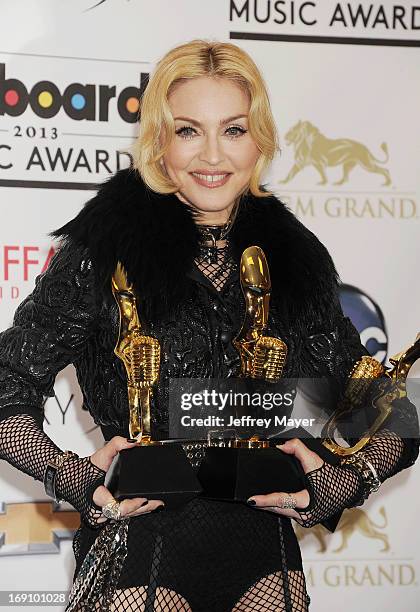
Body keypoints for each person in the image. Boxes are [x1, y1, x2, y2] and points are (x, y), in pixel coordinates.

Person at [0, 39, 418, 612]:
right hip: (141, 550)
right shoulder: (106, 251)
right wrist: (70, 473)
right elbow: (5, 387)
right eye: (189, 130)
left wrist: (344, 477)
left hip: (264, 556)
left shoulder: (295, 261)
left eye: (235, 130)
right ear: (159, 141)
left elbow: (389, 403)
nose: (213, 156)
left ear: (260, 139)